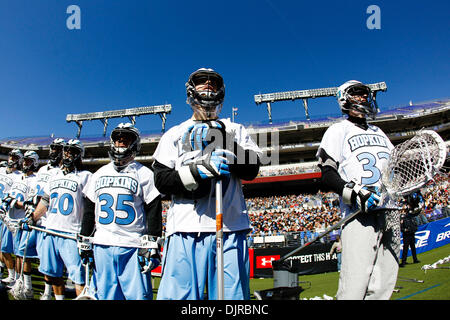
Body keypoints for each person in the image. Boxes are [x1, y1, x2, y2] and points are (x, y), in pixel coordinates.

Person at [153, 67, 262, 300]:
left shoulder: (235, 129)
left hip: (230, 227)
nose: (208, 84)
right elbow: (161, 180)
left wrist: (225, 143)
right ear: (191, 89)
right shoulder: (174, 133)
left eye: (213, 81)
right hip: (184, 228)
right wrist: (194, 173)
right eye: (202, 81)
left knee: (232, 301)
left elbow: (252, 168)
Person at [316, 80, 398, 300]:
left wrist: (407, 191)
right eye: (357, 94)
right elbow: (327, 174)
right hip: (359, 214)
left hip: (390, 211)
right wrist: (353, 192)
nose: (362, 98)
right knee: (354, 287)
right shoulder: (338, 130)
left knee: (383, 287)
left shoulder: (380, 131)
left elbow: (394, 168)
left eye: (364, 94)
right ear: (344, 98)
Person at [79, 123, 162, 300]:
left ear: (135, 144)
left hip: (132, 245)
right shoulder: (99, 173)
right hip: (102, 244)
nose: (120, 142)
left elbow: (154, 208)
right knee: (106, 296)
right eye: (117, 139)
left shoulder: (144, 174)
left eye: (126, 139)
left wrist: (153, 241)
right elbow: (89, 209)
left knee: (138, 296)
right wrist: (84, 238)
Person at [28, 139, 91, 300]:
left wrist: (88, 232)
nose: (69, 154)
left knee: (79, 278)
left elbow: (91, 206)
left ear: (80, 155)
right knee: (52, 274)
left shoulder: (86, 176)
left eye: (73, 152)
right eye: (67, 151)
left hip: (71, 233)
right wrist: (33, 218)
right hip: (49, 230)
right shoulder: (54, 174)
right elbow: (46, 201)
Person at [33, 138, 65, 299]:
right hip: (40, 219)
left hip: (53, 221)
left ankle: (52, 291)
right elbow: (39, 196)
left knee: (55, 264)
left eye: (58, 148)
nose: (54, 151)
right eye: (53, 148)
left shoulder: (62, 171)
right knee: (44, 262)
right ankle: (47, 292)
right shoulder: (42, 169)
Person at [0, 149, 25, 288]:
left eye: (14, 157)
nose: (11, 159)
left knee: (9, 248)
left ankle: (14, 276)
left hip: (7, 214)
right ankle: (8, 273)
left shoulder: (20, 175)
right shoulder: (1, 170)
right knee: (2, 247)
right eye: (10, 156)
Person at [399, 192, 421, 266]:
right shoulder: (402, 218)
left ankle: (415, 259)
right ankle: (403, 262)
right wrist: (405, 230)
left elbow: (414, 222)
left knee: (413, 247)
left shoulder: (410, 216)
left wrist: (414, 229)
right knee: (405, 249)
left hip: (411, 234)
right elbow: (401, 228)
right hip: (406, 235)